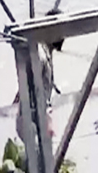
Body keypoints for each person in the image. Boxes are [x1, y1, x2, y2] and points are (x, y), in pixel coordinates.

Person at [14, 8, 64, 140]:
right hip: (32, 122)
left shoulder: (46, 52)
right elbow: (32, 94)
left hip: (35, 118)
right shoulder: (40, 56)